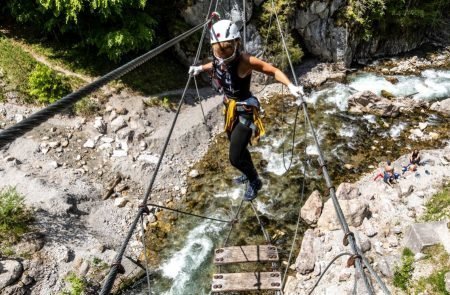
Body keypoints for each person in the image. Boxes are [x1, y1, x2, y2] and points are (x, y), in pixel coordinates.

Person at [188, 19, 303, 201]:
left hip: (244, 111)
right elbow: (215, 65)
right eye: (219, 52)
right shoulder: (219, 58)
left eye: (227, 51)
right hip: (230, 109)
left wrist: (290, 86)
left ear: (237, 44)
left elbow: (272, 71)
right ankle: (249, 173)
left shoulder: (245, 61)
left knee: (234, 157)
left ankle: (255, 180)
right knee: (240, 150)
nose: (223, 57)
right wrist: (200, 68)